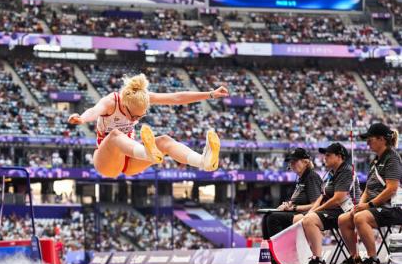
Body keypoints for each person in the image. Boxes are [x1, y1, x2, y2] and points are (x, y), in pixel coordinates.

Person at [67, 73, 229, 178]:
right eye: (135, 116)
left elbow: (176, 98)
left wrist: (210, 94)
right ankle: (148, 152)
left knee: (165, 141)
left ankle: (203, 161)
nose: (137, 118)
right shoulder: (111, 102)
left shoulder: (142, 96)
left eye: (141, 115)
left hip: (131, 160)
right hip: (107, 162)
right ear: (124, 105)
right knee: (115, 135)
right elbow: (94, 111)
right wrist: (81, 119)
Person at [337, 123, 402, 264]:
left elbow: (392, 189)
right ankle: (355, 258)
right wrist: (359, 205)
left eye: (370, 139)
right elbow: (368, 188)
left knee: (361, 218)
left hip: (393, 208)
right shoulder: (376, 160)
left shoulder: (392, 158)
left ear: (381, 139)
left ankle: (373, 260)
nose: (367, 142)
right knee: (343, 219)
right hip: (376, 207)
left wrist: (368, 206)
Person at [300, 143, 360, 264]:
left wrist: (316, 211)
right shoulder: (331, 173)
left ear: (339, 157)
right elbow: (322, 196)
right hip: (333, 211)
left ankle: (318, 260)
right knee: (304, 218)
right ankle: (310, 257)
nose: (324, 158)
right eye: (324, 155)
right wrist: (312, 210)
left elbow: (339, 199)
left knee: (309, 220)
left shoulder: (346, 170)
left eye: (328, 155)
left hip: (345, 211)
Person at [261, 148, 323, 239]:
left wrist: (293, 207)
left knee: (273, 218)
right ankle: (269, 251)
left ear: (305, 162)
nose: (291, 164)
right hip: (297, 212)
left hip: (308, 214)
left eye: (294, 161)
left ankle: (280, 251)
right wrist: (288, 204)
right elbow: (297, 199)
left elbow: (316, 204)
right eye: (290, 162)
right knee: (267, 217)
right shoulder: (301, 178)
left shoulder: (311, 177)